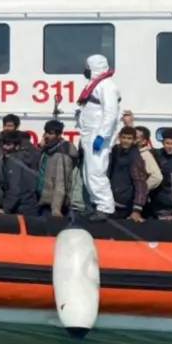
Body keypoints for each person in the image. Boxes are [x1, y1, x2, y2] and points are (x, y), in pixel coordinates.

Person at [75, 53, 121, 221]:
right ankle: (95, 204)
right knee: (88, 172)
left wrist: (102, 135)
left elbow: (111, 113)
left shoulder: (107, 86)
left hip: (98, 134)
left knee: (96, 171)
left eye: (87, 68)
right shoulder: (94, 85)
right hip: (89, 133)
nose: (85, 71)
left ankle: (105, 207)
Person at [36, 119, 78, 218]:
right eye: (46, 132)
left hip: (53, 206)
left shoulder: (61, 155)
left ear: (59, 135)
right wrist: (40, 147)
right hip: (42, 201)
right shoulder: (48, 150)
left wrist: (56, 207)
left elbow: (61, 183)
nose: (46, 136)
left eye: (50, 134)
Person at [107, 126, 147, 222]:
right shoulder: (115, 150)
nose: (126, 141)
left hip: (124, 205)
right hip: (110, 200)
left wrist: (137, 209)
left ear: (134, 140)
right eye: (124, 138)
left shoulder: (135, 157)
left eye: (129, 138)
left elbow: (140, 183)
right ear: (119, 138)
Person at [0, 129, 40, 216]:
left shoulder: (12, 162)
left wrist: (5, 209)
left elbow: (15, 189)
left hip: (20, 208)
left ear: (17, 146)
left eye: (8, 145)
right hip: (31, 205)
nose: (4, 147)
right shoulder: (28, 158)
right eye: (3, 144)